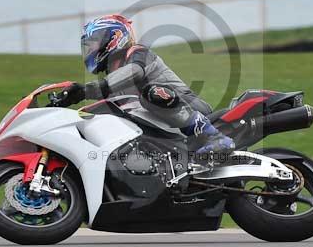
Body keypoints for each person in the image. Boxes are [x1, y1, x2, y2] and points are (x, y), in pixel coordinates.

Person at [57, 14, 235, 156]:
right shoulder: (112, 75)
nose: (90, 50)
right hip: (163, 121)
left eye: (94, 43)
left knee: (152, 93)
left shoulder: (137, 53)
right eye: (87, 47)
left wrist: (86, 90)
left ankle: (215, 137)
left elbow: (134, 72)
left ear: (114, 38)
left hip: (189, 105)